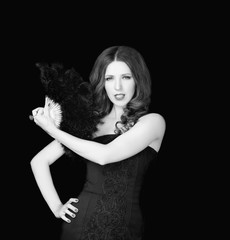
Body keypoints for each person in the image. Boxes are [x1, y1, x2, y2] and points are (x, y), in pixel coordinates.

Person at [30, 46, 166, 240]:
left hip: (125, 230)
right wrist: (57, 207)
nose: (117, 87)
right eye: (110, 79)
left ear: (138, 79)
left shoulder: (153, 122)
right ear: (102, 83)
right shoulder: (92, 123)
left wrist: (52, 129)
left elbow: (104, 155)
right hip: (78, 227)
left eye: (126, 77)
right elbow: (39, 161)